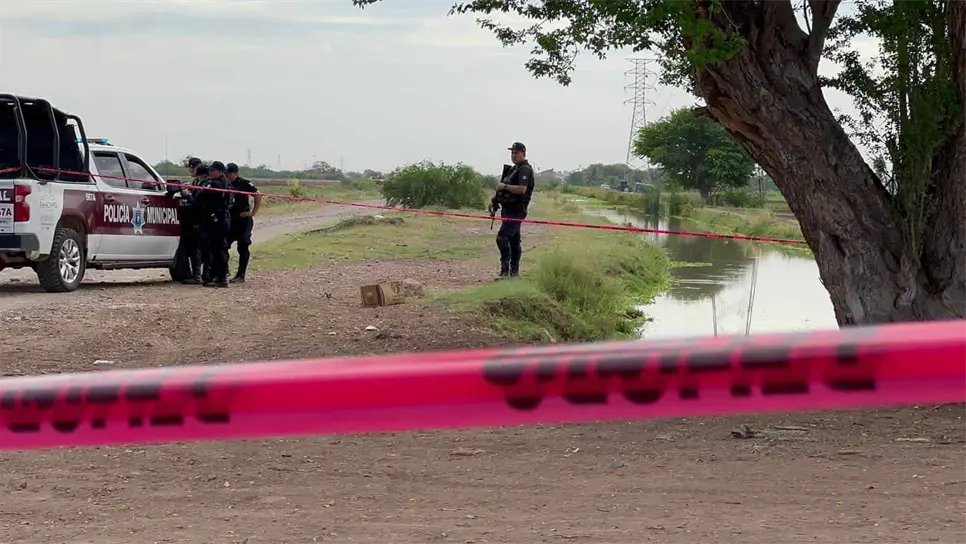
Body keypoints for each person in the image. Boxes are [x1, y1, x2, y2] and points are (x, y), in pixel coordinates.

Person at [489, 142, 535, 279]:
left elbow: (522, 189)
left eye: (516, 152)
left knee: (502, 238)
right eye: (512, 152)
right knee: (514, 241)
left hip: (517, 211)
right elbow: (502, 190)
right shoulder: (513, 169)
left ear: (523, 153)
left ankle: (505, 273)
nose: (514, 155)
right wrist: (494, 200)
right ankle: (514, 273)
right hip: (507, 209)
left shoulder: (525, 169)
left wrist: (505, 186)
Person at [170, 158, 207, 285]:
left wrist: (187, 194)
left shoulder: (205, 184)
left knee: (197, 248)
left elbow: (197, 203)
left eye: (192, 168)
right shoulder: (196, 181)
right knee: (191, 248)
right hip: (191, 219)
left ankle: (198, 275)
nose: (191, 170)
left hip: (199, 219)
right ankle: (193, 273)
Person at [197, 161, 232, 288]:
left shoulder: (217, 184)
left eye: (213, 171)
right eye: (210, 171)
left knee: (218, 250)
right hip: (217, 220)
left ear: (220, 172)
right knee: (213, 249)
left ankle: (221, 278)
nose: (210, 173)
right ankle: (214, 276)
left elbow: (200, 197)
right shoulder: (223, 183)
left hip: (218, 220)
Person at [225, 162, 261, 283]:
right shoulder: (225, 183)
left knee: (243, 246)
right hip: (230, 219)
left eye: (229, 174)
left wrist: (253, 212)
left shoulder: (244, 183)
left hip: (243, 220)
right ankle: (225, 270)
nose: (227, 176)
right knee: (223, 246)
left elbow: (257, 194)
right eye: (226, 174)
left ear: (236, 173)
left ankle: (241, 274)